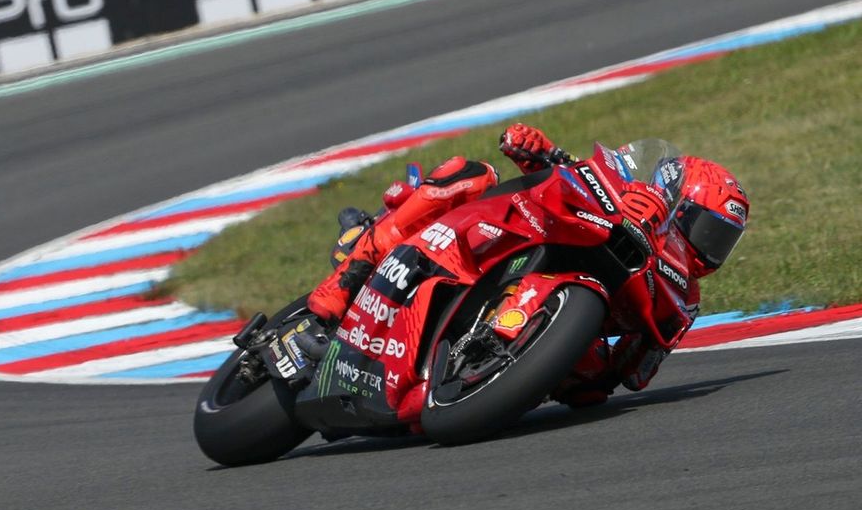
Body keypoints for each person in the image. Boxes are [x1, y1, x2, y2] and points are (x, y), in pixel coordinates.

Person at [307, 123, 750, 406]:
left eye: (721, 242)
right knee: (469, 174)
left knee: (592, 388)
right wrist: (536, 151)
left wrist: (618, 354)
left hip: (554, 328)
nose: (708, 250)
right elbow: (571, 180)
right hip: (502, 243)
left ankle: (488, 370)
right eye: (706, 231)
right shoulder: (627, 198)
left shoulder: (684, 298)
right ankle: (344, 282)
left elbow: (634, 374)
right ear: (677, 203)